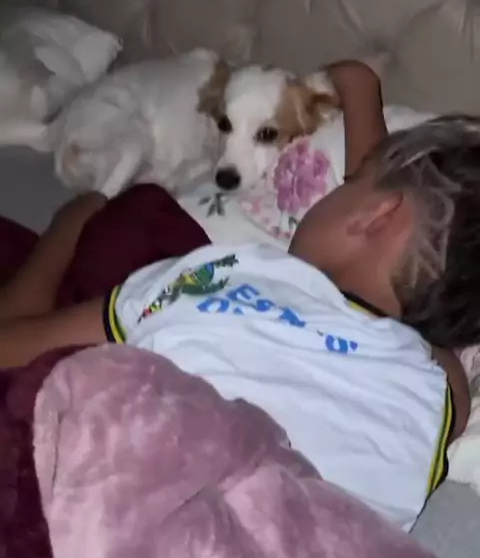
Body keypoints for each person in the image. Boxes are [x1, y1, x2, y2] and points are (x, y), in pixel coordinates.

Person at [0, 61, 475, 529]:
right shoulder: (440, 387)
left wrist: (68, 228)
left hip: (105, 510)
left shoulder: (225, 278)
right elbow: (390, 239)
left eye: (348, 184)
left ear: (375, 216)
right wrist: (360, 91)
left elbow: (9, 347)